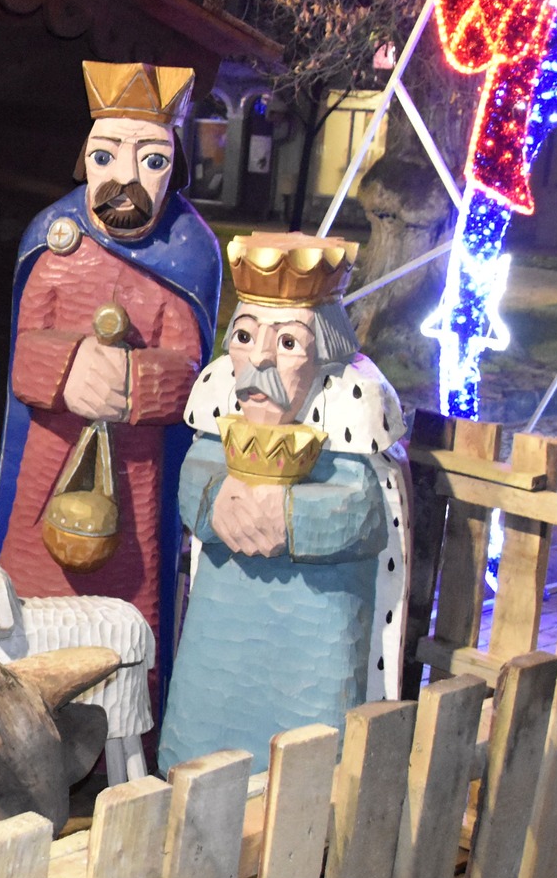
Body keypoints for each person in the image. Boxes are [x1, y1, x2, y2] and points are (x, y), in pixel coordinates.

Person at [0, 61, 223, 729]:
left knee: (127, 619)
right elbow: (23, 355)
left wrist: (136, 383)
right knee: (33, 601)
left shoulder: (189, 252)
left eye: (151, 160)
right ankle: (19, 724)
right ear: (84, 159)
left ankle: (124, 737)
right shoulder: (54, 242)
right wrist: (68, 367)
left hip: (138, 480)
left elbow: (193, 375)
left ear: (174, 166)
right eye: (106, 156)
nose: (126, 178)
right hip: (47, 469)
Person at [158, 233, 409, 773]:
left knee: (304, 761)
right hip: (222, 628)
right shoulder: (223, 399)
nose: (260, 360)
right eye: (245, 336)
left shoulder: (352, 411)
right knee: (201, 744)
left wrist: (293, 518)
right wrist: (213, 497)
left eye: (288, 343)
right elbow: (197, 469)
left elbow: (366, 509)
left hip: (313, 633)